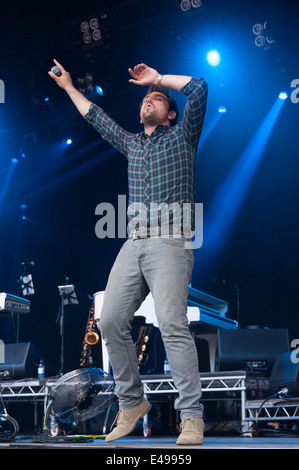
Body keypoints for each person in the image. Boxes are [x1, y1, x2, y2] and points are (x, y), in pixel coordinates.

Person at [49, 59, 208, 445]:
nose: (147, 102)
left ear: (170, 115)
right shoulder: (133, 143)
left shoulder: (183, 136)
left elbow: (199, 88)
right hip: (133, 241)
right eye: (146, 98)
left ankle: (191, 417)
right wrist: (70, 87)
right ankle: (132, 403)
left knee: (171, 324)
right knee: (108, 322)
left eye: (156, 99)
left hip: (171, 239)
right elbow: (97, 117)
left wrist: (158, 79)